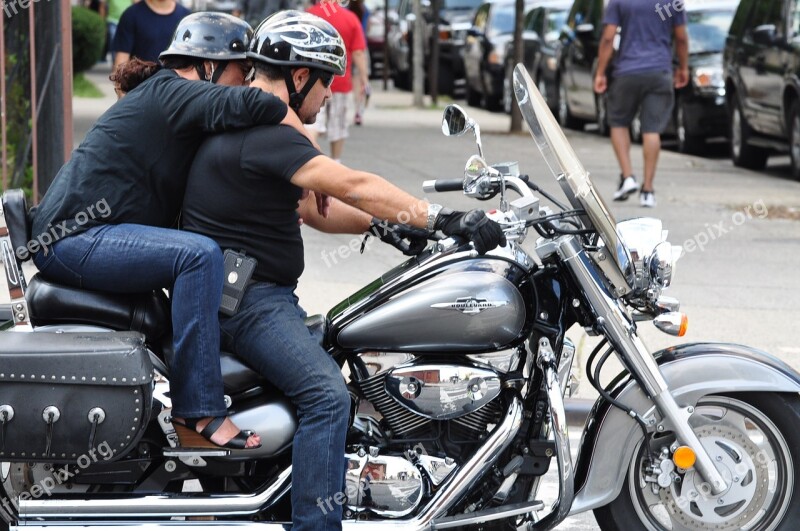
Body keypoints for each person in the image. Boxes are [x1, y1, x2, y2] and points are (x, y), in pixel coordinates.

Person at [180, 11, 506, 530]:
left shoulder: (255, 125)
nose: (332, 94)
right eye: (327, 80)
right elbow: (352, 184)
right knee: (327, 396)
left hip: (242, 292)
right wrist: (445, 217)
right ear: (299, 75)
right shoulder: (268, 130)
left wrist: (389, 227)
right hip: (249, 302)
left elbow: (312, 208)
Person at [30, 12, 313, 451]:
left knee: (196, 251)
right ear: (208, 65)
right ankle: (198, 410)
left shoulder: (172, 101)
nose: (246, 81)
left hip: (87, 235)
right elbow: (265, 105)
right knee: (197, 255)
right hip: (71, 240)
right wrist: (312, 163)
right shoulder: (175, 92)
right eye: (244, 71)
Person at [593, 0, 689, 208]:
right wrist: (683, 67)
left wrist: (600, 72)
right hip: (659, 71)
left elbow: (608, 38)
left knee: (618, 122)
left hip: (627, 71)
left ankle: (628, 177)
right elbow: (681, 38)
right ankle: (648, 190)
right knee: (651, 130)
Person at [307, 0, 369, 162]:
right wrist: (364, 79)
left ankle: (308, 159)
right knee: (338, 126)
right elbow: (358, 53)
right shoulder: (350, 18)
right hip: (340, 82)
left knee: (313, 125)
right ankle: (335, 161)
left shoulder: (309, 15)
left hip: (312, 81)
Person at [112, 0, 190, 70]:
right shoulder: (131, 15)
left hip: (177, 84)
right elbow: (121, 62)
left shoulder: (187, 17)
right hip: (142, 84)